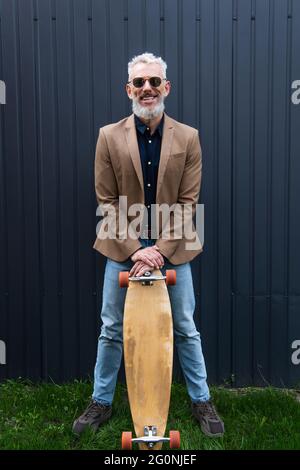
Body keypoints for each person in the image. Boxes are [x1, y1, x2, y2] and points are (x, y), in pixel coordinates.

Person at [72, 52, 224, 438]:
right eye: (139, 83)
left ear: (166, 87)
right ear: (129, 89)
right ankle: (101, 401)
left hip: (173, 247)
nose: (147, 89)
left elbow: (189, 204)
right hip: (122, 247)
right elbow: (106, 201)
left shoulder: (188, 137)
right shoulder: (109, 135)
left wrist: (158, 249)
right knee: (111, 328)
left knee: (185, 327)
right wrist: (136, 249)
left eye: (154, 81)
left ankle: (201, 400)